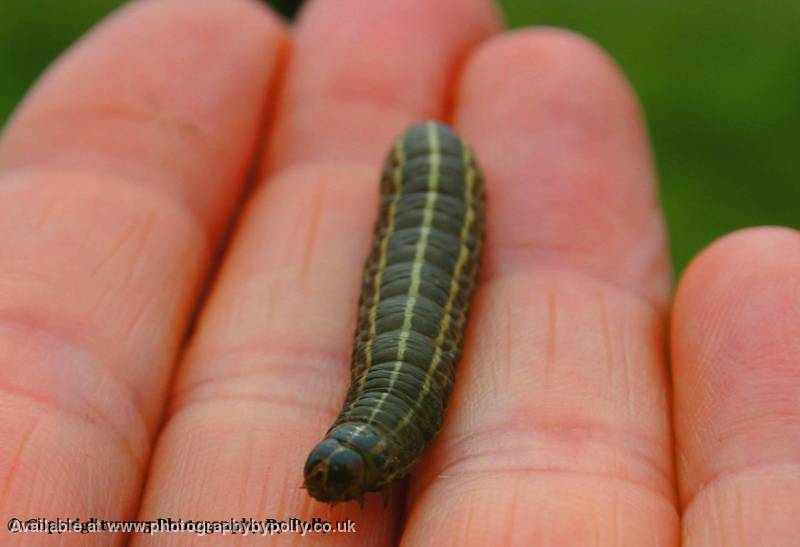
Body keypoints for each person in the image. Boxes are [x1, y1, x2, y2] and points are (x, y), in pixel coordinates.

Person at [0, 0, 796, 544]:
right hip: (394, 361)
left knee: (405, 343)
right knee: (403, 348)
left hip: (408, 295)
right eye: (346, 465)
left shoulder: (432, 169)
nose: (325, 479)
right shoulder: (381, 412)